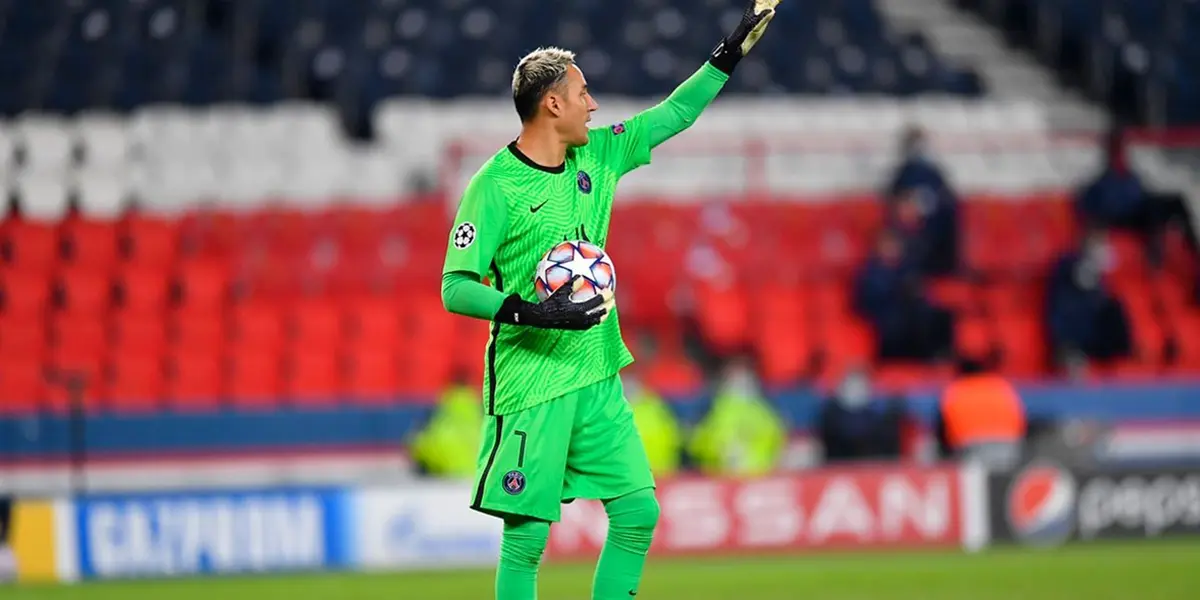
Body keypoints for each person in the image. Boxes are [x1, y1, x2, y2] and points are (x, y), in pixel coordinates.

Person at [438, 3, 781, 598]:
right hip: (532, 380)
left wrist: (731, 49)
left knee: (637, 513)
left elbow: (673, 113)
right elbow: (455, 286)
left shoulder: (597, 154)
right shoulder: (493, 186)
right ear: (553, 104)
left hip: (597, 371)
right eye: (582, 93)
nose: (592, 105)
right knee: (526, 537)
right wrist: (530, 310)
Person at [853, 229, 954, 361]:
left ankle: (938, 358)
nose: (892, 249)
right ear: (878, 248)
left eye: (895, 245)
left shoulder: (908, 268)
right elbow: (867, 303)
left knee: (934, 315)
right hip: (884, 323)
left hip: (910, 319)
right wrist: (899, 291)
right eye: (887, 246)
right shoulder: (870, 273)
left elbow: (918, 290)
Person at [1045, 227, 1132, 370]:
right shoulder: (1068, 263)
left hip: (1091, 330)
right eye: (1097, 242)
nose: (1102, 247)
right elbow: (1082, 278)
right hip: (1070, 330)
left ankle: (1122, 355)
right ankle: (1070, 354)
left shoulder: (1100, 278)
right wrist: (1094, 264)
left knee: (1115, 308)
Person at [885, 126, 960, 276]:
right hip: (911, 242)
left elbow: (947, 201)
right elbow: (894, 203)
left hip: (936, 239)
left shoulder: (934, 174)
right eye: (913, 144)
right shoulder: (903, 174)